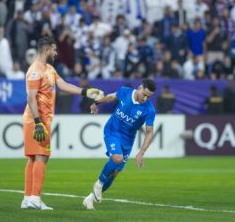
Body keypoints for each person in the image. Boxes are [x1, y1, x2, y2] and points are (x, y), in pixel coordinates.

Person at [21, 36, 104, 210]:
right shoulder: (35, 70)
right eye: (54, 49)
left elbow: (63, 85)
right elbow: (30, 98)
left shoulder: (49, 69)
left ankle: (28, 198)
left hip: (40, 119)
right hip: (37, 120)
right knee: (42, 157)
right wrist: (37, 122)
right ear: (46, 50)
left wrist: (86, 92)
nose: (56, 52)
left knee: (33, 158)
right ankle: (35, 197)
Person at [83, 79, 157, 210]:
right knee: (117, 158)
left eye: (148, 96)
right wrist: (96, 103)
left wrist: (141, 152)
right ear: (140, 87)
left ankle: (90, 198)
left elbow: (149, 132)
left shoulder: (149, 109)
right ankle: (99, 183)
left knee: (115, 172)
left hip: (128, 139)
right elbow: (111, 97)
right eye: (144, 94)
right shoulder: (125, 91)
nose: (145, 98)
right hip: (113, 130)